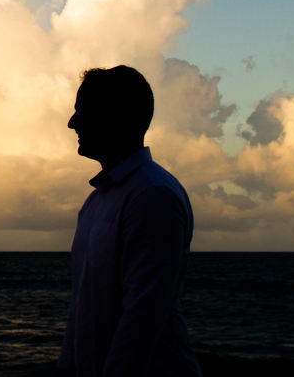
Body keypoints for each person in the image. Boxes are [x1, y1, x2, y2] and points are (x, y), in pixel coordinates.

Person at [57, 66, 200, 377]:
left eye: (83, 112)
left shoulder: (153, 195)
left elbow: (144, 315)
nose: (72, 123)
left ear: (115, 117)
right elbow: (82, 307)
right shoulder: (98, 200)